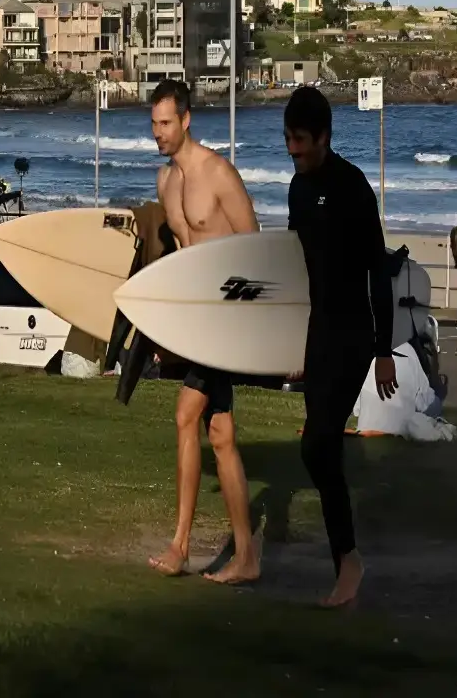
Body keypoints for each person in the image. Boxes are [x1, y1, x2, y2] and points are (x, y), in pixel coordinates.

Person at [285, 85, 398, 609]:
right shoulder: (297, 190)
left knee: (317, 443)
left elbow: (379, 270)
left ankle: (348, 561)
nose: (293, 149)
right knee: (321, 446)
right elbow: (291, 270)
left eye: (301, 140)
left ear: (324, 137)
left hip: (354, 332)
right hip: (317, 330)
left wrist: (382, 349)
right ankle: (346, 563)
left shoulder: (352, 188)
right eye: (288, 139)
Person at [146, 78, 261, 585]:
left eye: (166, 123)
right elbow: (178, 254)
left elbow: (254, 249)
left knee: (185, 413)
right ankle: (247, 556)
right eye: (153, 123)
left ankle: (181, 546)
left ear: (187, 120)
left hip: (227, 319)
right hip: (197, 320)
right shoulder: (164, 182)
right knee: (221, 435)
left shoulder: (218, 174)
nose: (158, 133)